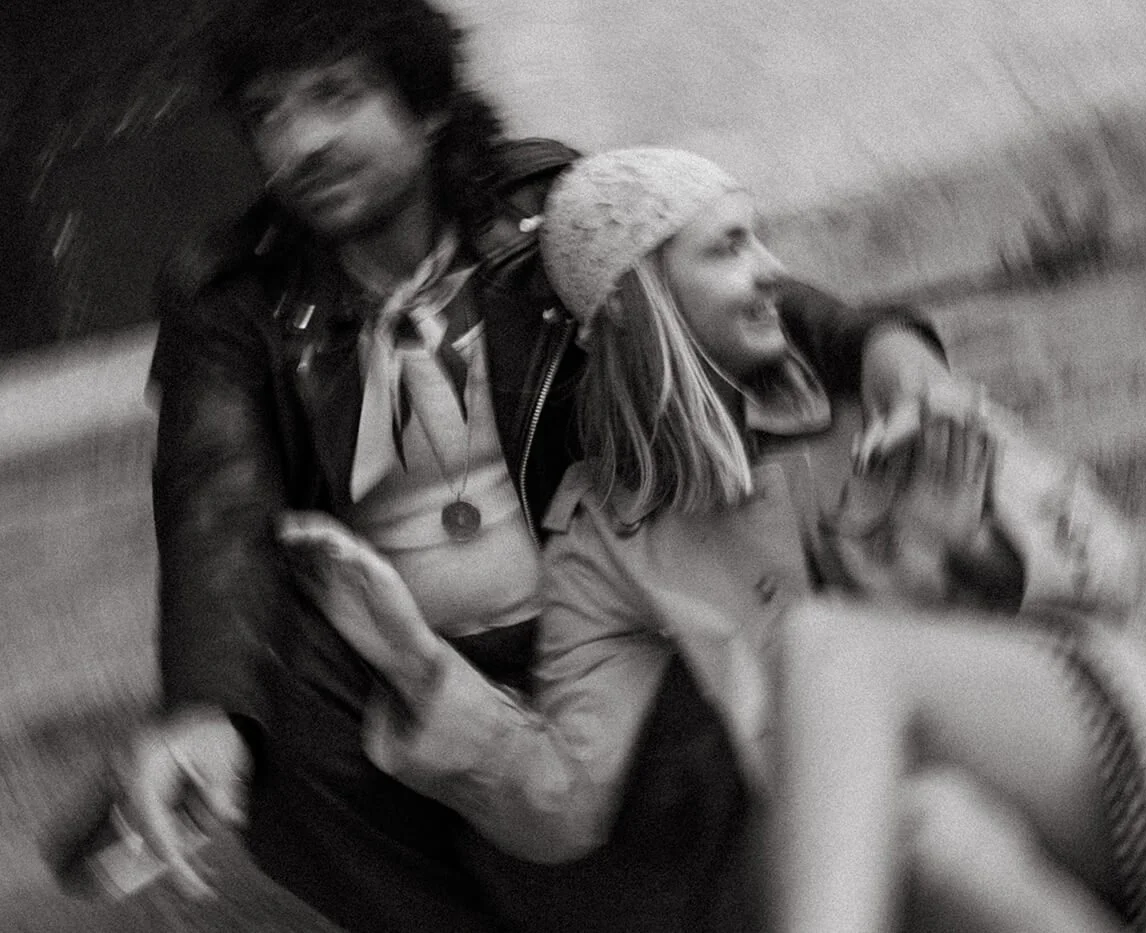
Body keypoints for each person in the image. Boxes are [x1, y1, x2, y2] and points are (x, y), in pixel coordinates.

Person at [285, 148, 1146, 933]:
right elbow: (568, 800)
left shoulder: (875, 397)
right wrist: (422, 673)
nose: (771, 268)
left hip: (1090, 740)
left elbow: (1105, 565)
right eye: (726, 249)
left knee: (824, 646)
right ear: (635, 305)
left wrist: (968, 548)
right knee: (924, 834)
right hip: (942, 837)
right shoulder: (607, 536)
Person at [122, 4, 961, 932]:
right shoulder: (235, 299)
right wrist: (203, 708)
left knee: (712, 579)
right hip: (405, 663)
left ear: (427, 102)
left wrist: (884, 348)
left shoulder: (544, 211)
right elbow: (215, 494)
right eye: (269, 113)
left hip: (598, 626)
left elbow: (732, 294)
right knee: (268, 695)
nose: (303, 140)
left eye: (336, 95)